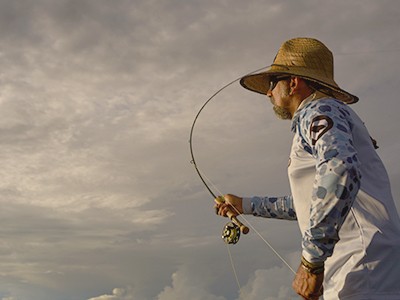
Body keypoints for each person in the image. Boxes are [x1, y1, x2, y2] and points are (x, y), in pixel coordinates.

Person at [215, 37, 400, 299]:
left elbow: (340, 169)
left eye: (272, 83)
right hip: (366, 272)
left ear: (293, 82)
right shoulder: (329, 114)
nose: (269, 93)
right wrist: (245, 205)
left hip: (362, 271)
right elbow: (319, 200)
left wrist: (311, 263)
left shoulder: (319, 110)